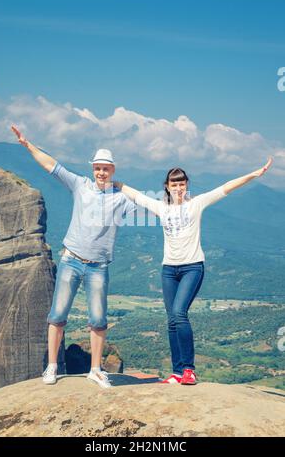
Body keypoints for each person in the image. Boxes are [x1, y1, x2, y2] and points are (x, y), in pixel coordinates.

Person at [114, 157, 273, 385]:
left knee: (179, 313)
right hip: (169, 269)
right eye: (174, 184)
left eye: (182, 184)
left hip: (192, 267)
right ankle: (177, 372)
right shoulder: (162, 208)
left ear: (186, 185)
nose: (178, 188)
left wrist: (253, 174)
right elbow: (137, 195)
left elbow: (225, 187)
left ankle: (189, 369)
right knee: (171, 320)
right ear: (167, 186)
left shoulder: (196, 204)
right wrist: (115, 183)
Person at [11, 125, 136, 388]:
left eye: (106, 168)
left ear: (113, 170)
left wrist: (181, 196)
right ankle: (52, 367)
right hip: (71, 260)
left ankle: (95, 370)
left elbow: (152, 205)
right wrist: (27, 144)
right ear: (93, 169)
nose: (101, 172)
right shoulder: (80, 185)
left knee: (99, 320)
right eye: (98, 167)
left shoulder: (121, 198)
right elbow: (52, 166)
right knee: (57, 316)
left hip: (98, 267)